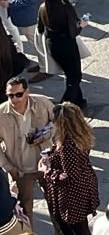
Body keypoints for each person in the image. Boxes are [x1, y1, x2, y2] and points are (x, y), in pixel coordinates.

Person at [39, 103, 98, 235]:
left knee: (72, 228)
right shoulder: (80, 135)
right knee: (81, 226)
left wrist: (46, 170)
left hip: (71, 195)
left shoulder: (67, 146)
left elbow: (68, 176)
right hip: (83, 185)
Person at [0, 75, 51, 223]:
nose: (14, 99)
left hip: (46, 164)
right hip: (20, 170)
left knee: (56, 207)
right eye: (10, 95)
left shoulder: (42, 103)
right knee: (25, 211)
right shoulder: (1, 113)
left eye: (18, 94)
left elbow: (59, 123)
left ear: (27, 92)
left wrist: (46, 135)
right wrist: (9, 167)